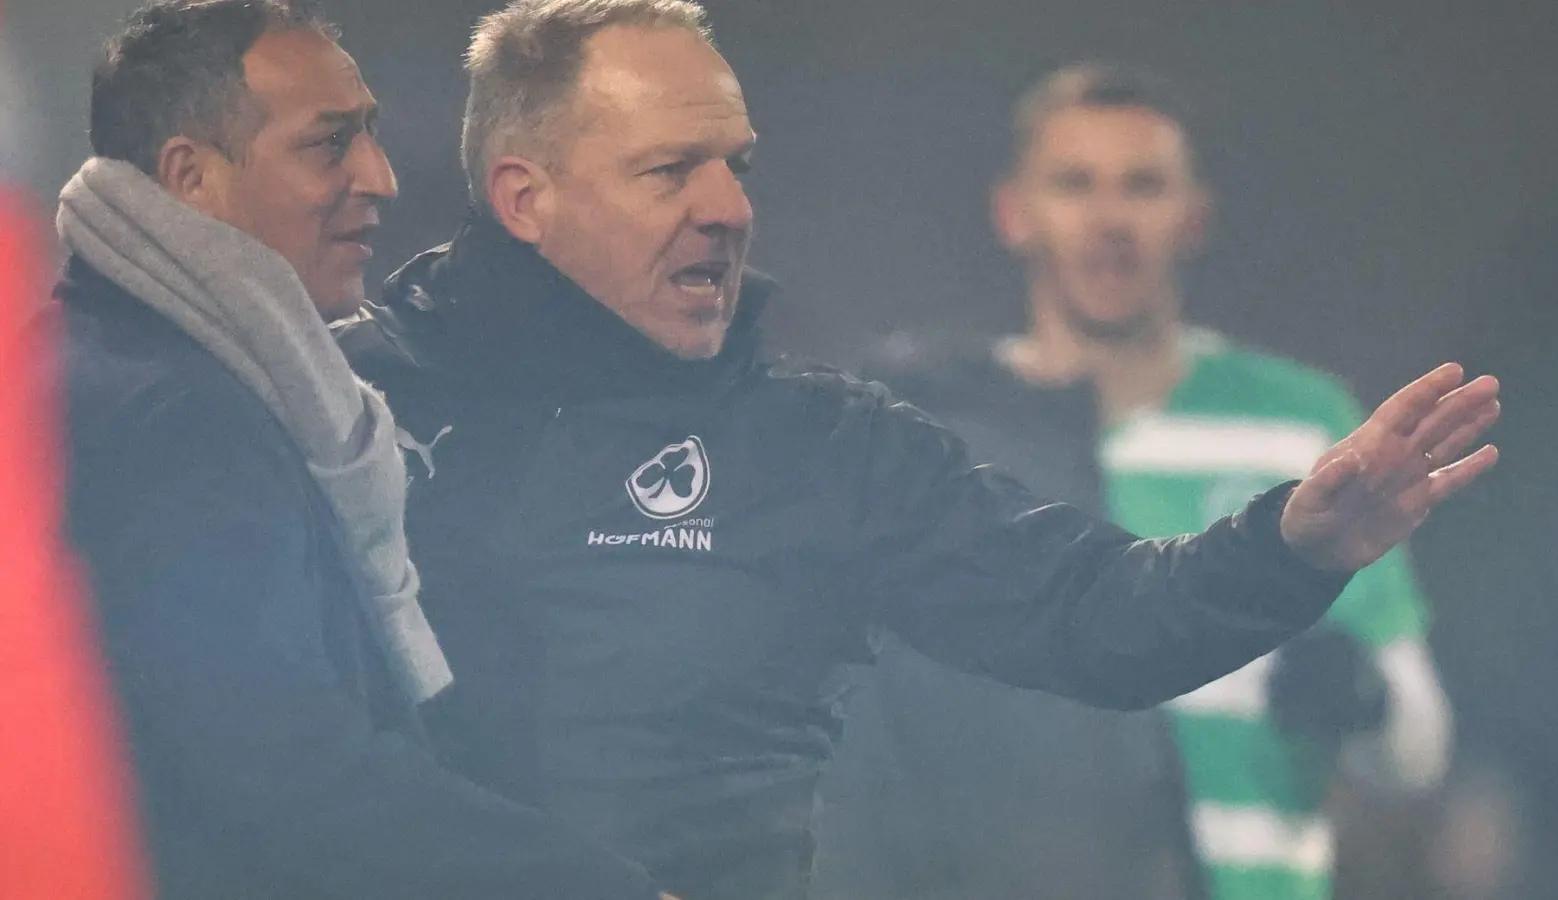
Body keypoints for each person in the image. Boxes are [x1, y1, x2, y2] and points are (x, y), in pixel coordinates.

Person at [338, 4, 1499, 900]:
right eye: (669, 169)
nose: (728, 207)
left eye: (734, 163)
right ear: (523, 197)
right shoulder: (339, 403)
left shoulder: (821, 445)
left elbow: (1094, 612)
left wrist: (1285, 550)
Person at [54, 2, 676, 897]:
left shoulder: (103, 364)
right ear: (190, 177)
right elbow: (286, 776)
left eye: (370, 137)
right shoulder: (173, 419)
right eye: (328, 144)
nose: (379, 177)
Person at [825, 64, 1458, 900]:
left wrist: (1364, 698)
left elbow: (1419, 752)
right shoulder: (948, 439)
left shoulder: (1306, 425)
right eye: (1075, 184)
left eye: (1143, 185)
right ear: (1013, 213)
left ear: (1193, 217)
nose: (1110, 219)